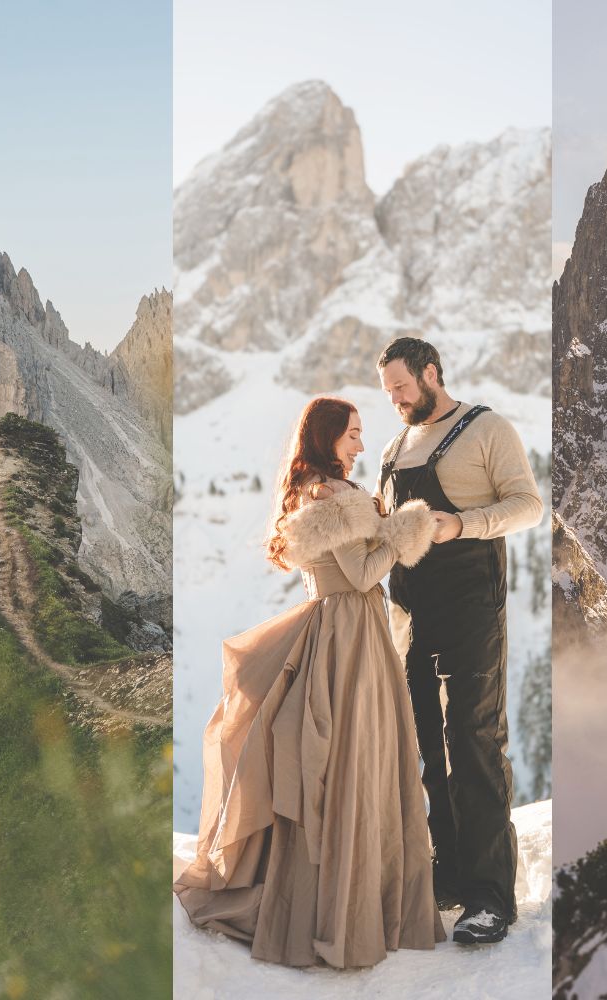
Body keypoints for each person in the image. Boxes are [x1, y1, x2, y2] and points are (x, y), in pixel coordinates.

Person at [175, 395, 444, 968]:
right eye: (352, 434)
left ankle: (345, 895)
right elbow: (361, 574)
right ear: (326, 436)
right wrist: (408, 529)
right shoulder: (331, 497)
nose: (361, 445)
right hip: (350, 633)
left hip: (344, 630)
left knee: (349, 760)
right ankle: (344, 911)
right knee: (353, 759)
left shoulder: (317, 488)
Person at [375, 337, 543, 945]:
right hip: (409, 609)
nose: (394, 398)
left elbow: (529, 505)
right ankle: (447, 875)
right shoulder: (395, 447)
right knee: (423, 742)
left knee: (472, 736)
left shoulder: (485, 428)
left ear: (430, 373)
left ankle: (489, 894)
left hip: (472, 602)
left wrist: (462, 524)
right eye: (387, 390)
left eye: (401, 385)